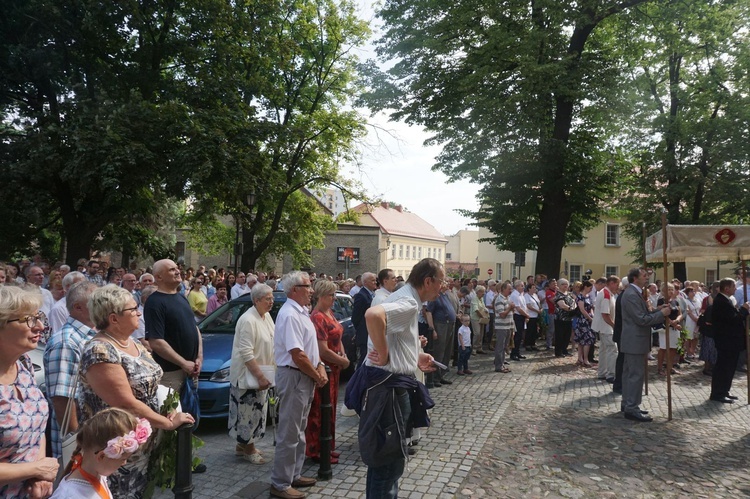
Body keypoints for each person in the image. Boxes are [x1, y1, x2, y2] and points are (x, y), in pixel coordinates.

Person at [79, 285, 195, 497]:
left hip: (142, 444)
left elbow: (149, 384)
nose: (138, 313)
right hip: (117, 448)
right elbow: (125, 403)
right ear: (114, 318)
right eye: (132, 309)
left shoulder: (131, 342)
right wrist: (168, 423)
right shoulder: (100, 350)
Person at [345, 258, 440, 499]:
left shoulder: (405, 296)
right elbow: (373, 315)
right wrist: (385, 354)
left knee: (383, 463)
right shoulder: (408, 301)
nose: (444, 286)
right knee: (388, 465)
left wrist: (415, 355)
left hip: (390, 387)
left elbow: (395, 335)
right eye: (441, 281)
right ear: (427, 281)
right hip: (389, 390)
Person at [270, 271, 327, 499]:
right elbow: (297, 354)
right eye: (308, 286)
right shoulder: (290, 315)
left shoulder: (300, 312)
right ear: (295, 290)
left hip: (303, 375)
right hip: (295, 376)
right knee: (289, 432)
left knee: (299, 430)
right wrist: (316, 374)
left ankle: (293, 474)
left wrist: (320, 366)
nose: (312, 290)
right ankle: (280, 483)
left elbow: (310, 350)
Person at [0, 287, 59, 499]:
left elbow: (36, 422)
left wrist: (39, 473)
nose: (40, 326)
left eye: (39, 317)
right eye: (28, 319)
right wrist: (36, 470)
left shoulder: (23, 363)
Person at [44, 281, 98, 458]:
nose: (104, 306)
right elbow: (62, 401)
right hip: (79, 444)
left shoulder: (90, 335)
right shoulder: (66, 342)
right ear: (78, 307)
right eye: (97, 302)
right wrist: (78, 446)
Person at [52, 408, 152, 499]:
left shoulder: (98, 475)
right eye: (122, 459)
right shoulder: (69, 495)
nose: (124, 463)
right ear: (102, 456)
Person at [228, 283, 276, 464]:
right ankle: (249, 448)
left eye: (271, 298)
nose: (271, 302)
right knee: (247, 413)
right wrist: (260, 376)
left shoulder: (266, 316)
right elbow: (246, 352)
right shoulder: (248, 319)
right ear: (256, 300)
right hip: (249, 375)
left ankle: (242, 446)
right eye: (267, 299)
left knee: (256, 411)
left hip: (263, 372)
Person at [305, 280, 350, 463]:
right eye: (331, 295)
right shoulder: (317, 317)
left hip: (335, 367)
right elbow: (322, 350)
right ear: (322, 296)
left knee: (330, 408)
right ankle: (316, 450)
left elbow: (337, 336)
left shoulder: (328, 312)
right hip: (324, 369)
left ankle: (328, 446)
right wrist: (344, 362)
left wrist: (344, 354)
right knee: (320, 410)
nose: (334, 299)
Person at [144, 259, 203, 394]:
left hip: (191, 370)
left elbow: (194, 328)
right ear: (159, 277)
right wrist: (183, 363)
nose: (177, 271)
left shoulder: (181, 298)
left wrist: (199, 357)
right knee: (170, 413)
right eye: (171, 269)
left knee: (190, 413)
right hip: (171, 374)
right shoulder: (155, 303)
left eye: (177, 268)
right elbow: (156, 341)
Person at [619, 268, 670, 422]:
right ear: (635, 278)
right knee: (635, 375)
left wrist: (657, 310)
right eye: (644, 276)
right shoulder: (631, 295)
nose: (647, 278)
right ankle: (631, 408)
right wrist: (662, 315)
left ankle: (628, 404)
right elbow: (641, 319)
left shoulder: (635, 293)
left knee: (630, 374)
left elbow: (644, 314)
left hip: (634, 340)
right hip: (634, 340)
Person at [710, 278, 750, 404]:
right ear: (726, 288)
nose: (735, 289)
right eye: (733, 286)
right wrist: (743, 310)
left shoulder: (726, 300)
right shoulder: (721, 301)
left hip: (731, 341)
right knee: (723, 368)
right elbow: (732, 319)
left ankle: (725, 390)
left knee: (730, 368)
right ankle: (718, 393)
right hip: (726, 341)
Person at [593, 276, 619, 382]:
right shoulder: (606, 294)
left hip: (604, 327)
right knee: (612, 350)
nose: (618, 287)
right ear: (611, 283)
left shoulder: (607, 293)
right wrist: (613, 325)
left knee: (604, 350)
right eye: (617, 284)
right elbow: (605, 314)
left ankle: (602, 372)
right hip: (606, 327)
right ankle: (610, 374)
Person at [352, 272, 377, 368]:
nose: (375, 282)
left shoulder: (372, 294)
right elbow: (356, 317)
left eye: (375, 280)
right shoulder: (361, 295)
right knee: (364, 360)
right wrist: (361, 329)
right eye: (373, 280)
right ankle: (358, 381)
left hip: (371, 333)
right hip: (364, 333)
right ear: (365, 283)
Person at [493, 281, 514, 373]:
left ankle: (502, 363)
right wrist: (510, 307)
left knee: (505, 346)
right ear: (503, 289)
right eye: (509, 289)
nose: (510, 290)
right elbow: (502, 314)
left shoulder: (507, 298)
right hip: (501, 327)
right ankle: (498, 366)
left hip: (507, 326)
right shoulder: (499, 300)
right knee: (500, 347)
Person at [574, 280, 596, 367]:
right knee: (585, 340)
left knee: (584, 340)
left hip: (588, 319)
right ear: (586, 287)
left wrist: (592, 315)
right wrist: (590, 318)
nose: (591, 290)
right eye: (590, 288)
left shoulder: (587, 296)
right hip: (583, 321)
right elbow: (582, 310)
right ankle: (584, 359)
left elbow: (590, 307)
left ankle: (581, 358)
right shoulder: (580, 297)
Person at [554, 279, 576, 357]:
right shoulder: (558, 295)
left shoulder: (569, 294)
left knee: (567, 336)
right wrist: (571, 309)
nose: (565, 286)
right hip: (560, 318)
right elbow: (562, 305)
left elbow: (574, 302)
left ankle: (564, 350)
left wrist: (574, 308)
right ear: (559, 285)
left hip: (569, 318)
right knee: (560, 336)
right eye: (563, 284)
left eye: (566, 284)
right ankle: (558, 352)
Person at [469, 285, 489, 355]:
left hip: (481, 318)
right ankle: (474, 348)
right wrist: (482, 315)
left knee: (481, 334)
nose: (483, 293)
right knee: (477, 333)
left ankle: (479, 347)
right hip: (475, 318)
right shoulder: (475, 298)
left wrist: (486, 311)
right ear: (478, 292)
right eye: (482, 292)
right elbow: (476, 309)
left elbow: (483, 307)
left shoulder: (481, 299)